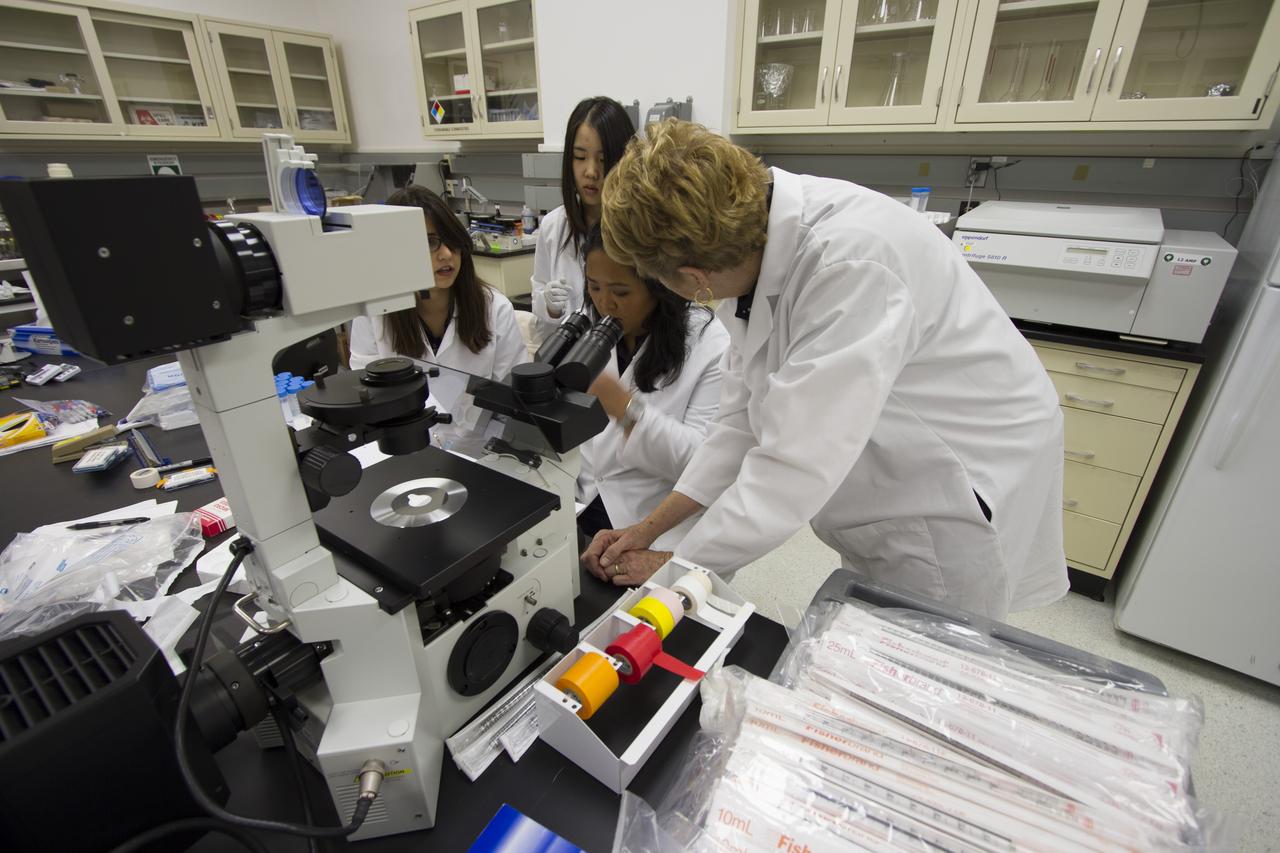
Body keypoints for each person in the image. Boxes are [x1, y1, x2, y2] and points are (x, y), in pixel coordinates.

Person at [584, 120, 1067, 620]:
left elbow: (790, 468)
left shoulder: (850, 266)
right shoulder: (751, 241)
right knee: (873, 615)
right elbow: (740, 424)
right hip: (887, 458)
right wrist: (650, 529)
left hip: (956, 476)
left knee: (930, 645)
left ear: (691, 277)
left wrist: (678, 566)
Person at [574, 225, 730, 552]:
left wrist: (627, 412)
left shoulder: (708, 342)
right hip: (587, 497)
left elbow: (702, 463)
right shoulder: (584, 323)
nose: (605, 304)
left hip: (654, 517)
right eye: (594, 287)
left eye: (621, 291)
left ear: (659, 285)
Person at [349, 185, 528, 433]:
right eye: (430, 243)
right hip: (404, 443)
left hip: (477, 447)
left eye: (451, 240)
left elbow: (511, 399)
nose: (446, 254)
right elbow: (365, 393)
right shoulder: (374, 313)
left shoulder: (494, 308)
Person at [529, 97, 636, 342]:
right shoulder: (554, 226)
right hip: (568, 362)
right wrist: (550, 306)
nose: (590, 172)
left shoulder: (640, 231)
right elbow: (540, 302)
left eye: (602, 159)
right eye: (580, 157)